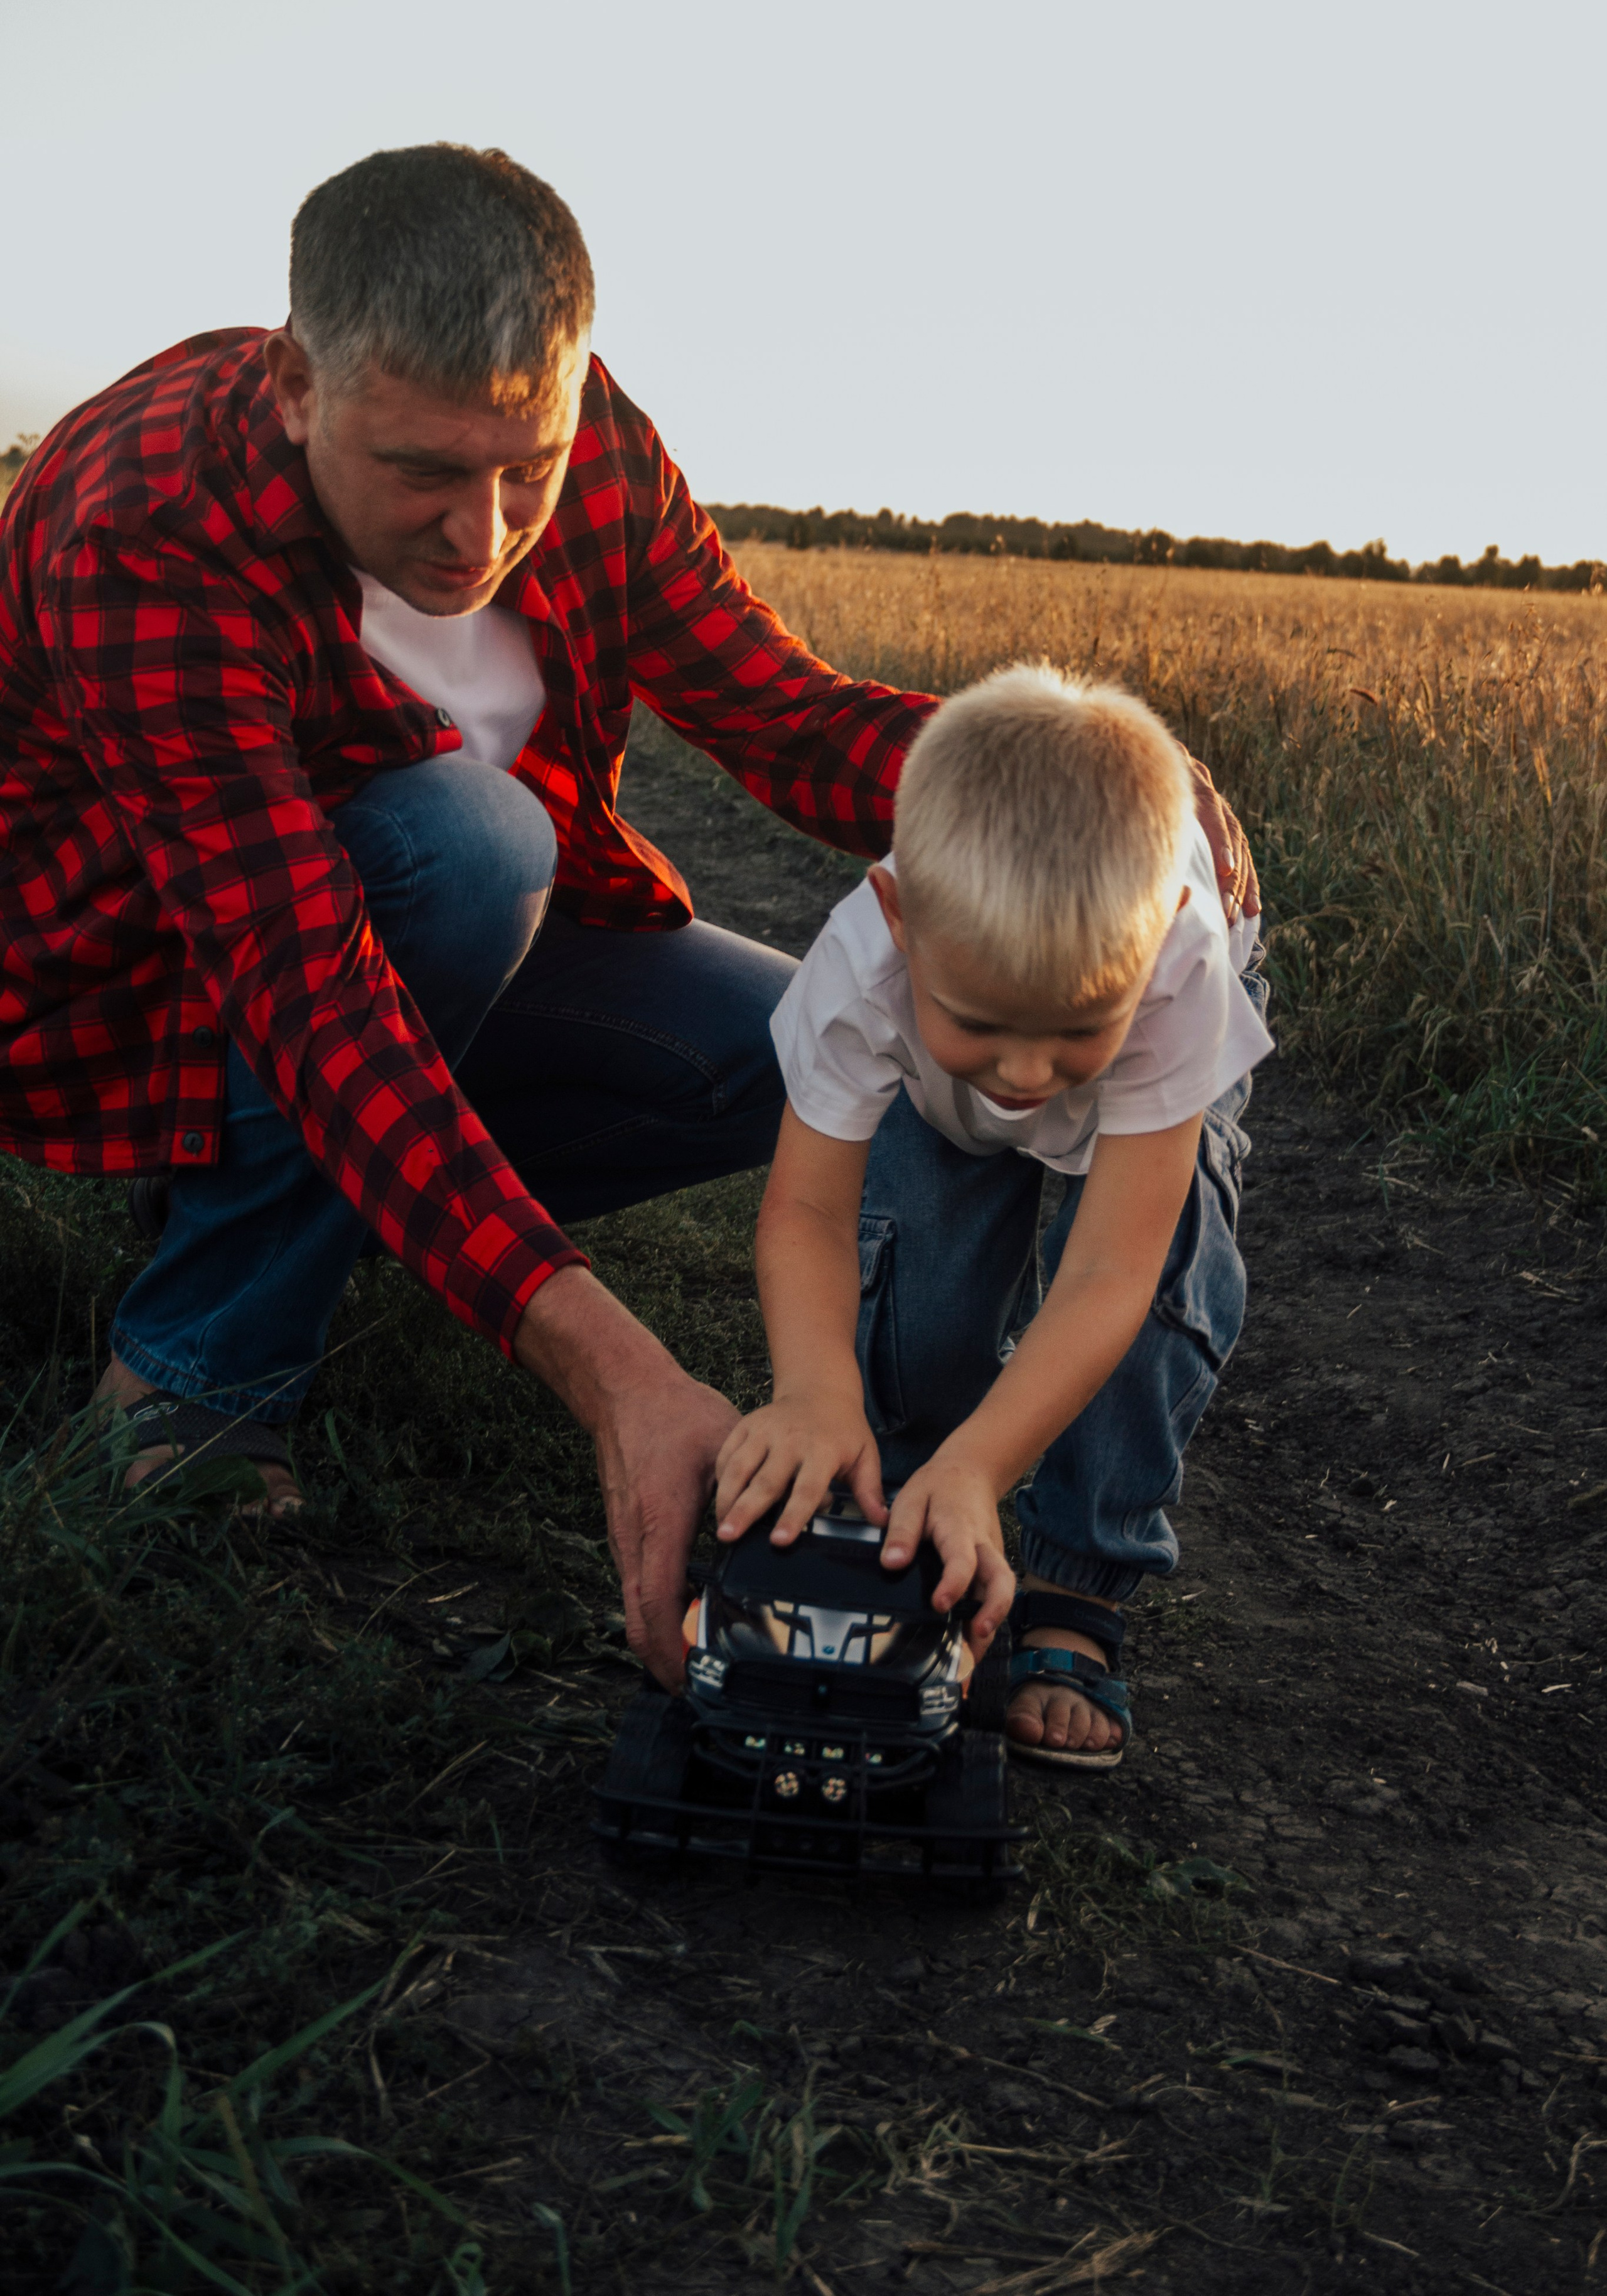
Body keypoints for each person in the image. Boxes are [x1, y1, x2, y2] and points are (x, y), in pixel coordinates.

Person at [0, 143, 1256, 1692]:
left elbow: (781, 717)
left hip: (427, 972)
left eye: (521, 467)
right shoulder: (140, 519)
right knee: (468, 841)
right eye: (422, 473)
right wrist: (621, 1383)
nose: (482, 534)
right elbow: (306, 991)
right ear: (296, 387)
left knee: (787, 1049)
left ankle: (366, 1214)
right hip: (150, 994)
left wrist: (1080, 773)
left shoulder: (595, 453)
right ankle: (194, 1371)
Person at [713, 669, 1272, 1766]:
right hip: (929, 1084)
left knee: (1167, 1271)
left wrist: (992, 1466)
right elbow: (808, 1213)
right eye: (983, 1025)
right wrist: (814, 1391)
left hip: (1150, 1092)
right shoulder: (863, 971)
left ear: (1155, 938)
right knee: (913, 1277)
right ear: (901, 918)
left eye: (1071, 1031)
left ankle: (1073, 1580)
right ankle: (919, 1495)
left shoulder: (1177, 970)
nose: (1025, 1075)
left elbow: (1109, 1266)